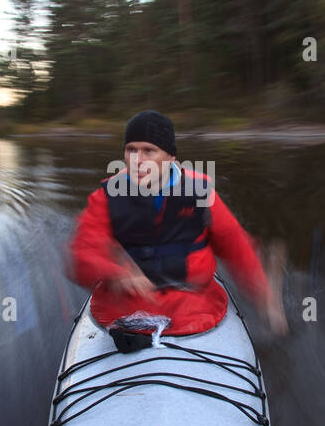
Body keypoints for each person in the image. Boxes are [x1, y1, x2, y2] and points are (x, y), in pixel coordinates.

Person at [66, 109, 289, 337]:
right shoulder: (106, 196)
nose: (137, 160)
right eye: (130, 150)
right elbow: (82, 253)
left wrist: (262, 295)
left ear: (171, 157)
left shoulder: (200, 193)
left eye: (149, 151)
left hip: (194, 310)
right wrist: (116, 274)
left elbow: (235, 247)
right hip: (123, 312)